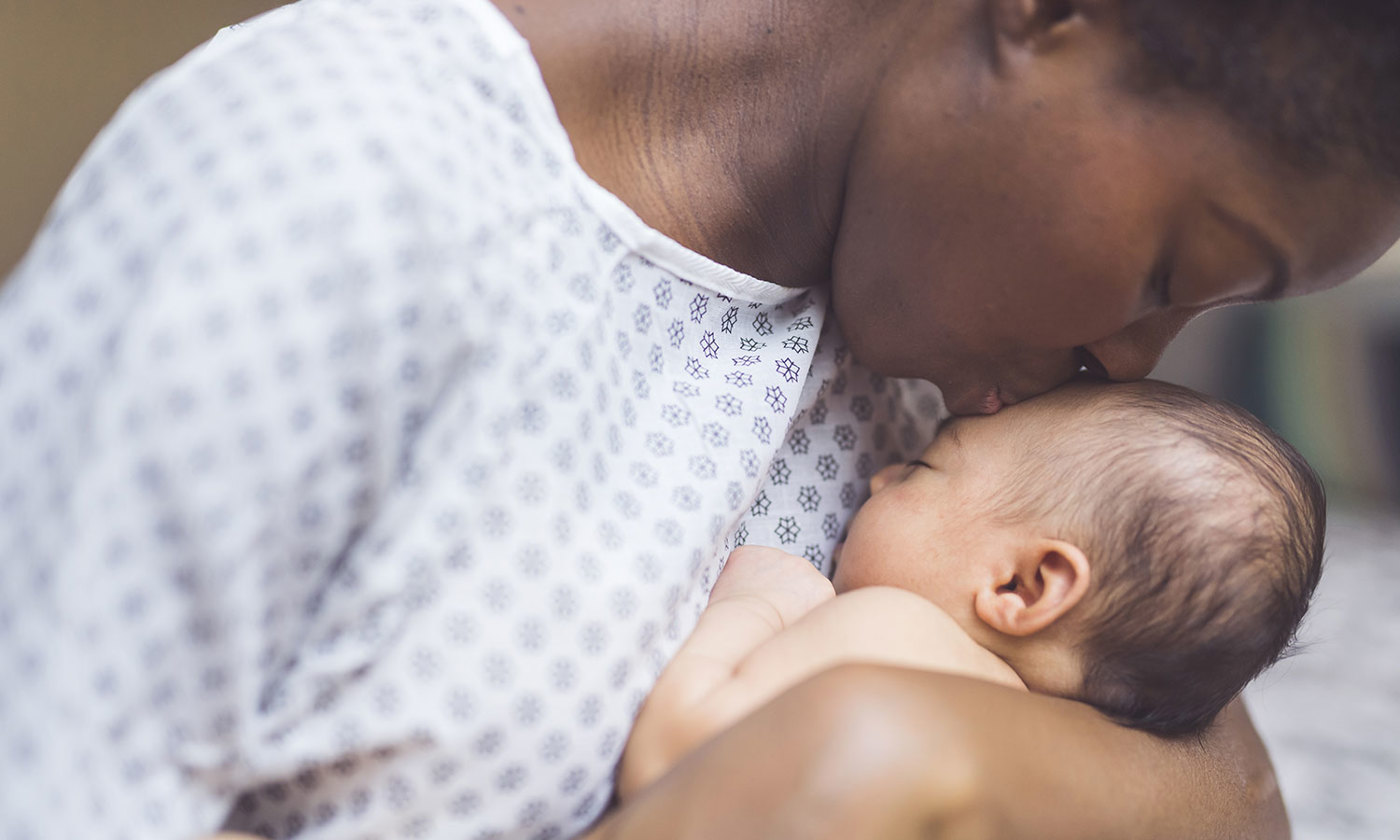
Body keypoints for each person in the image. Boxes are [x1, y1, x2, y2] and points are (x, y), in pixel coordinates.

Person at [0, 0, 1398, 837]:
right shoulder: (326, 192)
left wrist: (907, 754)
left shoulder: (939, 338)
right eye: (1170, 273)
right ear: (1046, 14)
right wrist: (866, 763)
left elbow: (1224, 783)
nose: (1131, 355)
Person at [617, 378, 1325, 798]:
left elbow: (671, 762)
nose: (881, 476)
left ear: (1021, 586)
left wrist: (761, 601)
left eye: (925, 467)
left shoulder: (894, 633)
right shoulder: (1045, 759)